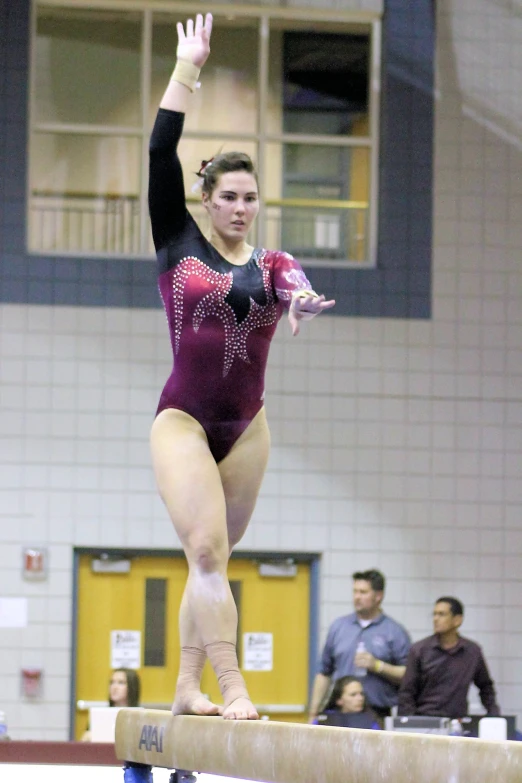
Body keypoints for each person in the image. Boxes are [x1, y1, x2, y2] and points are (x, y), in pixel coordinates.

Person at [149, 12, 335, 722]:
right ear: (206, 200)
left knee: (215, 562)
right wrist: (187, 67)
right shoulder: (176, 240)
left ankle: (187, 685)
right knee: (203, 549)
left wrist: (303, 302)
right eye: (228, 196)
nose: (240, 207)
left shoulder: (272, 260)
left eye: (251, 198)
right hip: (183, 423)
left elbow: (297, 284)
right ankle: (233, 690)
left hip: (248, 427)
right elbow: (160, 153)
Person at [308, 569, 411, 723]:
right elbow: (324, 672)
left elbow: (408, 674)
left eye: (363, 592)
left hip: (377, 713)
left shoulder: (394, 632)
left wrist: (378, 666)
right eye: (355, 591)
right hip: (341, 713)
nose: (357, 597)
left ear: (378, 596)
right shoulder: (339, 627)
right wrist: (313, 712)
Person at [398, 597, 500, 719]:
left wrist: (495, 717)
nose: (436, 619)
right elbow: (406, 692)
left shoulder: (472, 652)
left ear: (457, 620)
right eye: (434, 614)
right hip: (425, 720)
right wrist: (410, 724)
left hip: (457, 722)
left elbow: (486, 687)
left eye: (441, 614)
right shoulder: (419, 650)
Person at [81, 668, 141, 740]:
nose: (114, 687)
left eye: (121, 682)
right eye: (112, 682)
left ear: (132, 686)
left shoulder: (140, 716)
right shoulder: (100, 715)